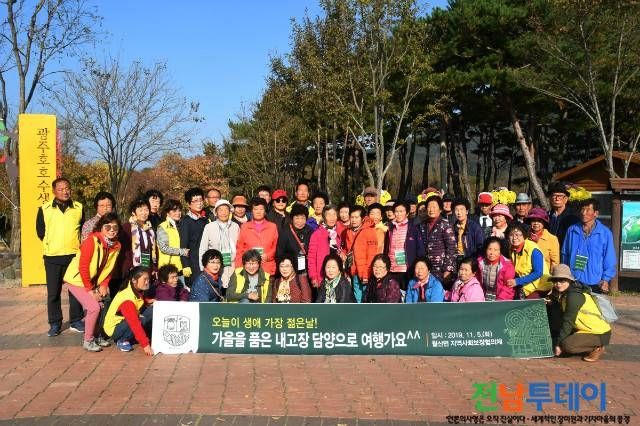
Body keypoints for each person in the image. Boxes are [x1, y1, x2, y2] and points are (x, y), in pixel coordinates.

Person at [63, 213, 121, 351]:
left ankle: (96, 335)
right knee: (94, 307)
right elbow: (83, 267)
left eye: (115, 227)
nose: (111, 230)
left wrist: (104, 284)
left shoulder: (116, 246)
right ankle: (88, 340)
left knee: (102, 305)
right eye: (107, 227)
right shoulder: (91, 241)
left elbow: (109, 268)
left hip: (93, 281)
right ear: (101, 227)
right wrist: (90, 290)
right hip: (76, 280)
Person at [36, 177, 85, 337]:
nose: (65, 191)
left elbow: (82, 230)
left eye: (67, 188)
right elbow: (40, 232)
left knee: (75, 290)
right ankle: (55, 323)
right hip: (52, 257)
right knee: (53, 293)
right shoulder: (44, 209)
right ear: (54, 191)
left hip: (73, 256)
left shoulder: (78, 207)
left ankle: (76, 320)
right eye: (61, 189)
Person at [548, 264, 611, 362]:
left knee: (567, 345)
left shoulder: (574, 296)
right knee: (558, 339)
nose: (558, 284)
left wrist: (558, 344)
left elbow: (568, 321)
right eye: (555, 281)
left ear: (569, 280)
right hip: (583, 329)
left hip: (599, 333)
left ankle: (597, 347)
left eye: (562, 280)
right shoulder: (565, 293)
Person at [561, 198, 616, 294]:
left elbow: (609, 258)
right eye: (582, 209)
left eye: (588, 210)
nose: (583, 213)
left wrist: (606, 279)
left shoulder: (605, 233)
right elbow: (564, 254)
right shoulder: (572, 230)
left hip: (595, 281)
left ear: (596, 213)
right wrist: (564, 275)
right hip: (573, 280)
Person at [103, 266, 154, 355]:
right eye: (145, 279)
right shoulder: (127, 299)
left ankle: (138, 336)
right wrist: (145, 345)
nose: (147, 282)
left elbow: (138, 300)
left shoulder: (134, 288)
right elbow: (134, 323)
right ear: (134, 280)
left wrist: (148, 301)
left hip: (124, 321)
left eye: (148, 279)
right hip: (114, 329)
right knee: (140, 320)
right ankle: (122, 340)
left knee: (151, 310)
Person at [199, 199, 240, 287]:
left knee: (232, 290)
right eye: (220, 210)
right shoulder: (209, 227)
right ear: (216, 212)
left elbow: (239, 247)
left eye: (226, 209)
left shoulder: (235, 226)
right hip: (214, 266)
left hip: (232, 265)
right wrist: (203, 268)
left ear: (230, 212)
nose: (223, 212)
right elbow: (203, 248)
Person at [385, 201, 425, 291]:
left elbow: (420, 249)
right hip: (392, 268)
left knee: (407, 293)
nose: (398, 214)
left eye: (401, 211)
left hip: (407, 269)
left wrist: (419, 266)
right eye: (396, 211)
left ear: (407, 213)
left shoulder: (413, 228)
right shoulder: (390, 228)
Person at [418, 196, 457, 285]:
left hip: (441, 269)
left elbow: (452, 248)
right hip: (426, 268)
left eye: (434, 207)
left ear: (440, 209)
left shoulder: (445, 224)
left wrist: (448, 269)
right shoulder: (422, 225)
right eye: (429, 207)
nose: (431, 210)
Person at [344, 205, 379, 303]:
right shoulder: (348, 231)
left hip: (365, 272)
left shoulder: (369, 231)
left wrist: (366, 273)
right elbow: (348, 250)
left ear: (362, 218)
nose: (353, 220)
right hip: (354, 271)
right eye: (352, 217)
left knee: (367, 298)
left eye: (356, 217)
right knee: (357, 298)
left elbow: (372, 255)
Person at [235, 197, 279, 276]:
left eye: (261, 209)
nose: (258, 212)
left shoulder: (272, 227)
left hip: (267, 268)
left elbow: (276, 247)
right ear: (251, 211)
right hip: (249, 269)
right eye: (255, 209)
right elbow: (239, 249)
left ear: (265, 211)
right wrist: (239, 269)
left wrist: (267, 256)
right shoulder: (244, 227)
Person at [507, 223, 550, 299]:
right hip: (524, 286)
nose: (514, 238)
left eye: (517, 235)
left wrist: (517, 281)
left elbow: (538, 273)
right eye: (511, 235)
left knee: (526, 305)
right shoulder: (512, 249)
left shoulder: (533, 249)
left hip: (540, 287)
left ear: (524, 235)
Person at [308, 205, 344, 289]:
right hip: (322, 275)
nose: (332, 218)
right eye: (329, 215)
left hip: (337, 275)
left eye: (334, 214)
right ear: (324, 217)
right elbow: (311, 257)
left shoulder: (338, 233)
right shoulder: (317, 234)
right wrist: (313, 277)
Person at [120, 199, 156, 278]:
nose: (144, 213)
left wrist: (153, 267)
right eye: (140, 210)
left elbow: (151, 250)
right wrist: (130, 266)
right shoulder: (127, 227)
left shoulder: (149, 229)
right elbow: (124, 251)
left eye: (146, 210)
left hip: (147, 268)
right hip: (131, 269)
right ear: (133, 212)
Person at [180, 187, 208, 286]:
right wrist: (186, 265)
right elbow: (183, 245)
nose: (199, 203)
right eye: (195, 201)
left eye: (200, 200)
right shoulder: (186, 221)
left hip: (206, 261)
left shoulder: (206, 219)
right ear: (189, 204)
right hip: (193, 263)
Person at [276, 203, 313, 275]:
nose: (300, 221)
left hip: (307, 270)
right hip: (290, 271)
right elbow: (280, 254)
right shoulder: (285, 232)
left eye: (303, 218)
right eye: (297, 218)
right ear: (292, 218)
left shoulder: (310, 231)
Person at [157, 199, 189, 279]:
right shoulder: (163, 227)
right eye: (174, 211)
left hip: (180, 267)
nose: (178, 213)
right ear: (167, 213)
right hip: (168, 268)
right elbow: (164, 248)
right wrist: (182, 251)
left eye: (179, 210)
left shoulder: (180, 226)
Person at [476, 237, 516, 301]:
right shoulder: (479, 262)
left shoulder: (507, 265)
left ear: (500, 251)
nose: (492, 253)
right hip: (483, 296)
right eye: (490, 249)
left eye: (496, 250)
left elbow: (508, 287)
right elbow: (476, 281)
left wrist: (499, 302)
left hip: (501, 298)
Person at [547, 182, 580, 247]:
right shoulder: (546, 216)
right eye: (554, 196)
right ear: (550, 198)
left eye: (560, 196)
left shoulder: (573, 217)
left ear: (566, 199)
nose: (557, 199)